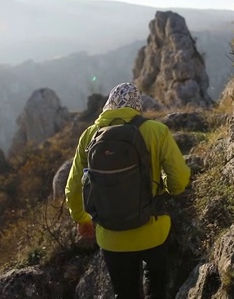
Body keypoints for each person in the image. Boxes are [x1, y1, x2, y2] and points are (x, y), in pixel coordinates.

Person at [65, 82, 190, 298]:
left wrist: (82, 218)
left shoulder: (89, 136)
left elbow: (74, 186)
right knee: (157, 288)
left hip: (111, 237)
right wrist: (164, 188)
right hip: (153, 231)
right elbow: (178, 181)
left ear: (109, 104)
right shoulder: (156, 131)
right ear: (136, 106)